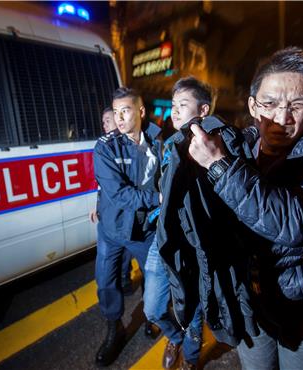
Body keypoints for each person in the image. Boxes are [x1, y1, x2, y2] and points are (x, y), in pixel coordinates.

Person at [187, 46, 303, 369]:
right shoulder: (237, 146)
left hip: (301, 303)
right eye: (270, 104)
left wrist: (220, 168)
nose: (282, 118)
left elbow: (299, 223)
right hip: (248, 300)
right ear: (252, 105)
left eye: (297, 105)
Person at [143, 77, 212, 370]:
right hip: (163, 238)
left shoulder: (214, 145)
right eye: (173, 105)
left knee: (192, 308)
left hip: (193, 244)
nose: (175, 111)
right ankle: (176, 337)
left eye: (183, 105)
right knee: (153, 308)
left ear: (204, 110)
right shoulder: (169, 143)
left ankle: (192, 360)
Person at [93, 87, 162, 366]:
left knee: (154, 277)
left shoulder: (159, 139)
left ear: (141, 111)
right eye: (116, 111)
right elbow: (119, 194)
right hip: (112, 229)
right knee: (106, 282)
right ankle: (115, 329)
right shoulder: (106, 146)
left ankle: (153, 315)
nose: (119, 118)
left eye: (126, 111)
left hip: (145, 228)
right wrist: (158, 197)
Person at [90, 107, 134, 296]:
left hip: (125, 212)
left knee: (125, 253)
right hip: (108, 214)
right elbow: (102, 185)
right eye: (104, 121)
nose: (105, 124)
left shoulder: (127, 147)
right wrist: (96, 206)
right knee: (106, 265)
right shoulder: (104, 147)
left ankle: (124, 277)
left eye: (108, 119)